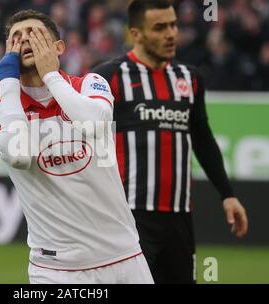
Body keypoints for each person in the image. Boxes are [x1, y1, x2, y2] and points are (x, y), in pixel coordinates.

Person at [0, 9, 153, 284]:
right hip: (55, 270)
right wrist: (7, 79)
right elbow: (20, 155)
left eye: (35, 34)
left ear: (59, 47)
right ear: (8, 52)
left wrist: (50, 76)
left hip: (123, 257)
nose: (25, 41)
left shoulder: (90, 85)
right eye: (16, 38)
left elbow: (94, 124)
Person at [91, 0, 248, 284]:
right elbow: (74, 128)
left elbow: (202, 138)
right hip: (129, 217)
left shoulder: (190, 78)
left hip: (179, 216)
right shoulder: (108, 77)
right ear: (136, 34)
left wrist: (228, 194)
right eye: (160, 27)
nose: (171, 34)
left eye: (173, 25)